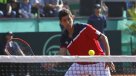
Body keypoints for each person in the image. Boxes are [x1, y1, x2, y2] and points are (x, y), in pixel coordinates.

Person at [56, 9, 115, 76]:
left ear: (72, 17)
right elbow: (62, 53)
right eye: (64, 20)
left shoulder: (85, 28)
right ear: (61, 22)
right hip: (80, 65)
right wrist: (52, 61)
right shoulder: (64, 37)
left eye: (69, 19)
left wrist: (108, 57)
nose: (68, 22)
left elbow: (104, 38)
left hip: (98, 63)